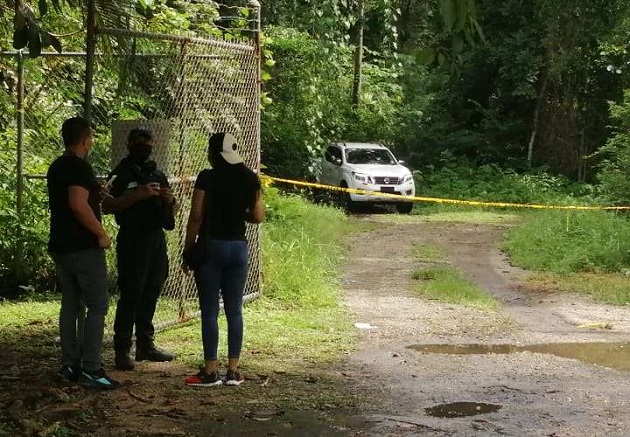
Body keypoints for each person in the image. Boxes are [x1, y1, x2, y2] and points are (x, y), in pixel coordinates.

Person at [183, 132, 264, 387]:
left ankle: (210, 372)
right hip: (238, 248)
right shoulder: (250, 178)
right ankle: (233, 371)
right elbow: (259, 216)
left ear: (213, 153)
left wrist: (188, 249)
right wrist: (240, 216)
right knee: (234, 310)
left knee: (209, 311)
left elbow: (196, 215)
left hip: (211, 247)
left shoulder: (207, 177)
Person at [47, 116, 119, 390]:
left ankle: (69, 364)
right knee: (97, 305)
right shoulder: (79, 167)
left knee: (71, 303)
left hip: (61, 246)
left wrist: (95, 194)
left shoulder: (57, 167)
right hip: (83, 246)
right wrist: (101, 232)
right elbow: (77, 205)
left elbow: (73, 200)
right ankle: (91, 368)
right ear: (85, 139)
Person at [102, 128, 176, 371]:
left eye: (147, 142)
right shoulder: (121, 173)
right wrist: (136, 196)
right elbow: (106, 204)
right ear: (129, 144)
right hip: (132, 238)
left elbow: (172, 213)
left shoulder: (157, 173)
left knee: (153, 288)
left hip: (155, 238)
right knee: (131, 291)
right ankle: (122, 348)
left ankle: (146, 343)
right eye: (138, 142)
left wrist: (169, 201)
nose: (143, 146)